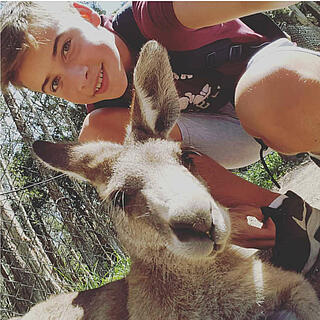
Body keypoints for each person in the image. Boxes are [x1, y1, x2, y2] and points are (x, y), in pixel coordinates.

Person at [1, 0, 319, 297]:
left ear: (84, 14)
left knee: (261, 97)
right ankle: (288, 216)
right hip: (229, 135)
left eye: (66, 47)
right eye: (55, 83)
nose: (78, 79)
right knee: (101, 136)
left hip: (278, 87)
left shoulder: (152, 17)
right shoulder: (106, 116)